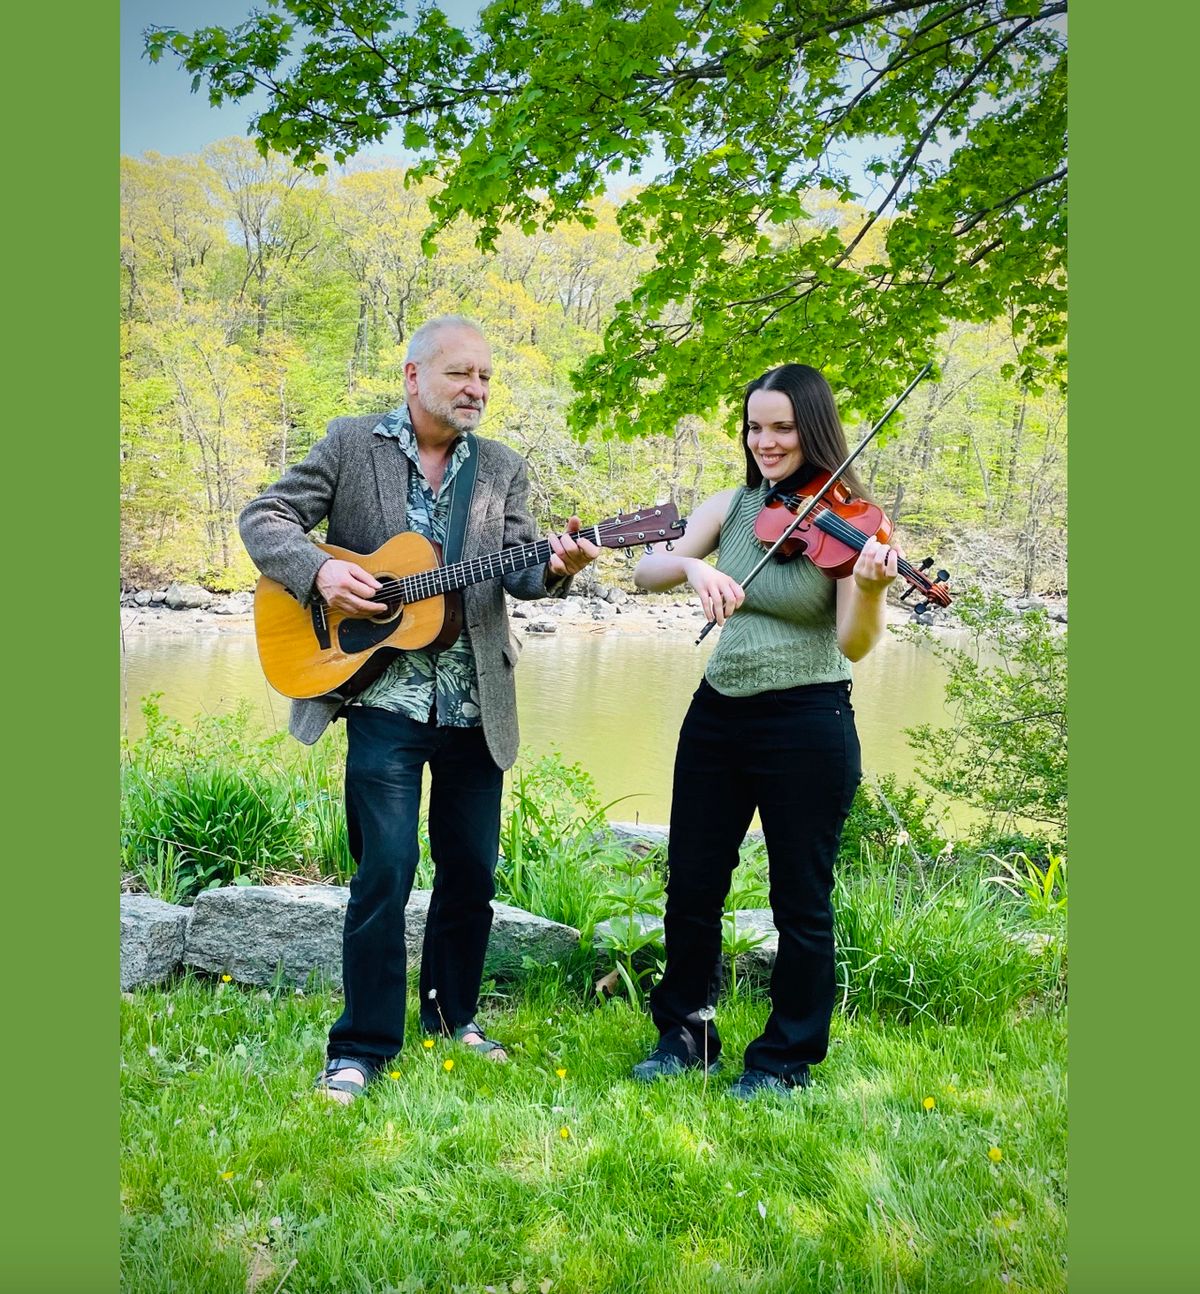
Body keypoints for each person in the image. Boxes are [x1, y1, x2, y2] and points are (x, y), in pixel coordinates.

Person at [239, 315, 599, 1102]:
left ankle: (451, 1019)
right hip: (378, 696)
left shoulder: (504, 467)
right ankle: (361, 1047)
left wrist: (562, 566)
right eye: (460, 374)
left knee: (470, 872)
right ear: (413, 376)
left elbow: (524, 573)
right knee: (387, 869)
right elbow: (263, 519)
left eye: (486, 379)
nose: (475, 390)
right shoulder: (348, 443)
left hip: (477, 703)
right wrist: (320, 575)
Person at [630, 363, 898, 1100]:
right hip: (718, 713)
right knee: (691, 884)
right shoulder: (735, 504)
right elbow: (646, 570)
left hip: (806, 722)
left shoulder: (854, 520)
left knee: (800, 901)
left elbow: (852, 642)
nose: (766, 441)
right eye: (755, 426)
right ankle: (685, 1034)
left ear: (812, 430)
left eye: (782, 427)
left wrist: (871, 587)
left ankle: (784, 1059)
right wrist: (689, 569)